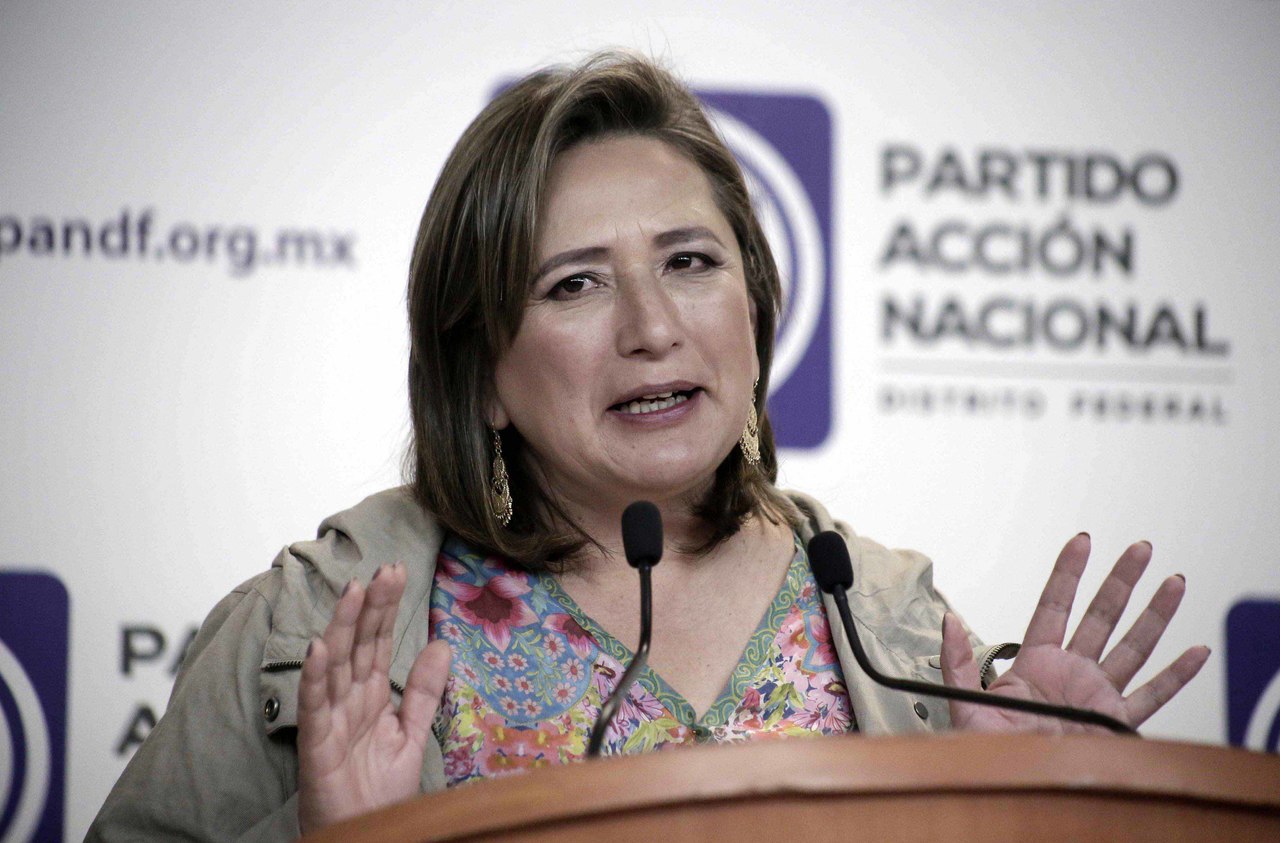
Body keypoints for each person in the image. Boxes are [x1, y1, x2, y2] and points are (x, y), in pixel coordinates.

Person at [87, 52, 1209, 841]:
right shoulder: (321, 622)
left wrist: (1046, 807)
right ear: (481, 374)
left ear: (755, 310)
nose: (652, 326)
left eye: (689, 262)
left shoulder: (897, 629)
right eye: (574, 284)